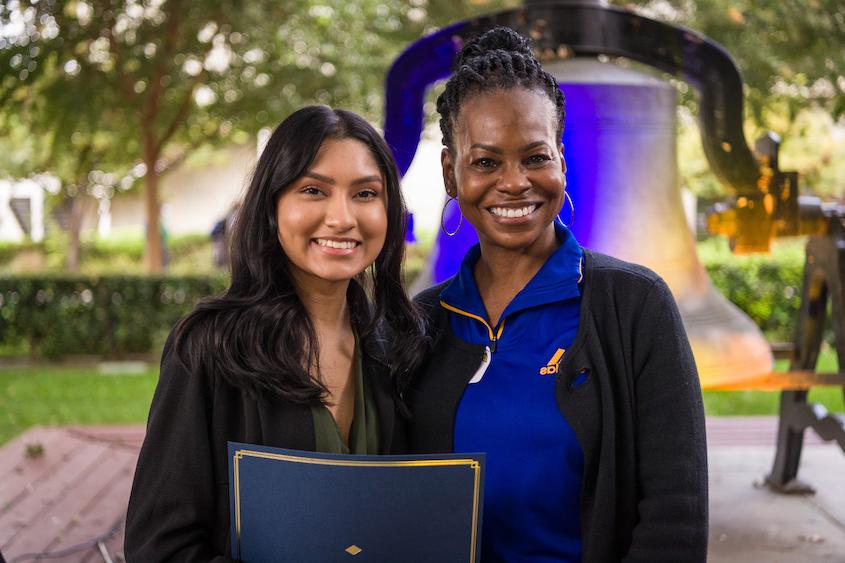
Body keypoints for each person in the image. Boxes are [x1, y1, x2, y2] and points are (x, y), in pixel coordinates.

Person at [405, 28, 708, 562]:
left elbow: (674, 517)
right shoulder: (422, 323)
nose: (515, 182)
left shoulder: (633, 305)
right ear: (450, 173)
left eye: (535, 157)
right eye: (485, 162)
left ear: (561, 163)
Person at [125, 106, 427, 561]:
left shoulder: (400, 345)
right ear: (272, 205)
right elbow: (158, 547)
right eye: (313, 190)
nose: (342, 218)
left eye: (366, 193)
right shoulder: (210, 349)